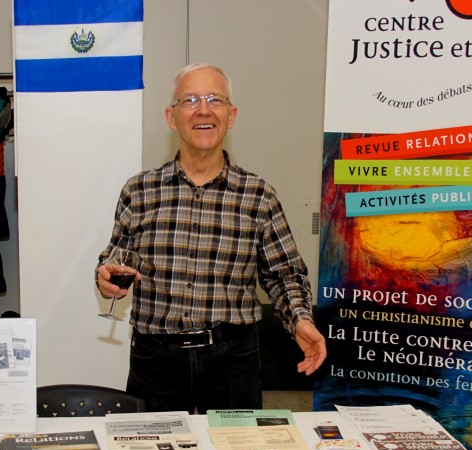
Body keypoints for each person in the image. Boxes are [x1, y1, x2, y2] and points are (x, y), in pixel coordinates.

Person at [95, 62, 327, 413]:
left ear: (231, 115)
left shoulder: (259, 195)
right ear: (171, 117)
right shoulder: (138, 191)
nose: (203, 110)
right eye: (189, 100)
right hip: (155, 360)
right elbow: (114, 260)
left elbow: (285, 275)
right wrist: (106, 278)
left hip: (233, 363)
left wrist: (301, 319)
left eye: (214, 100)